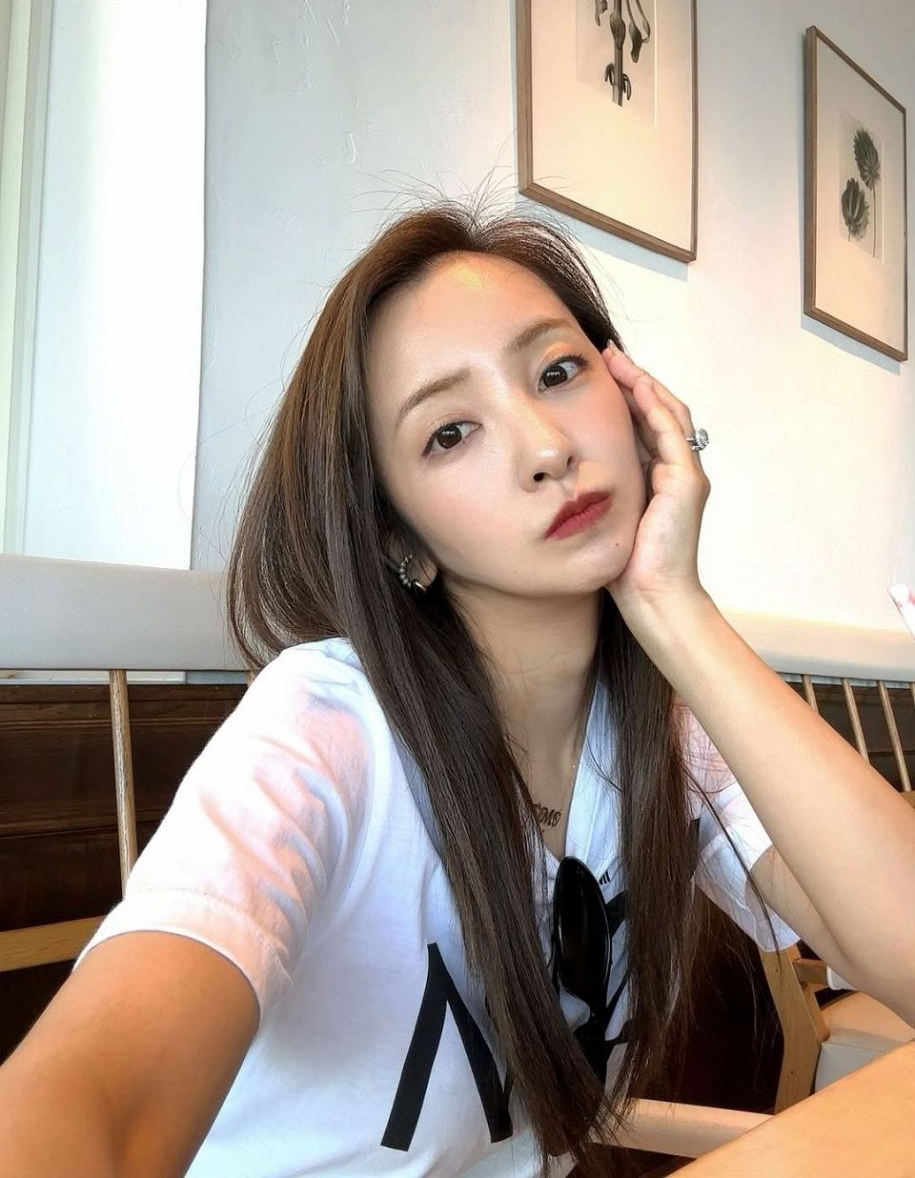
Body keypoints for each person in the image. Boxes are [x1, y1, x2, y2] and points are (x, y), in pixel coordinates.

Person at [3, 197, 914, 1178]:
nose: (546, 447)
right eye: (450, 432)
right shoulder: (325, 731)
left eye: (557, 373)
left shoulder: (664, 730)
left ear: (634, 398)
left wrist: (675, 607)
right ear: (402, 540)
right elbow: (88, 1103)